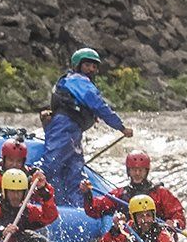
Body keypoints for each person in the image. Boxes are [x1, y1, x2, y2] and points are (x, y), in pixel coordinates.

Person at [42, 47, 133, 208]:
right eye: (87, 65)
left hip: (73, 131)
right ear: (78, 66)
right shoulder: (77, 80)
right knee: (51, 165)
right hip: (64, 128)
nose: (91, 69)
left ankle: (76, 208)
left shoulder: (76, 83)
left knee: (75, 171)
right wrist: (121, 127)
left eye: (94, 66)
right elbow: (100, 106)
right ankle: (36, 199)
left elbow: (85, 106)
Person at [82, 148, 186, 232]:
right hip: (131, 237)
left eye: (140, 170)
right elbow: (94, 210)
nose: (137, 173)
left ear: (146, 171)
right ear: (128, 171)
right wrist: (87, 194)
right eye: (134, 170)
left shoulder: (161, 193)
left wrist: (174, 223)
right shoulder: (120, 194)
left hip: (156, 236)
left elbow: (178, 215)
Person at [86, 195, 183, 242]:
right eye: (141, 216)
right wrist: (115, 229)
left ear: (154, 216)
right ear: (133, 217)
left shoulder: (162, 235)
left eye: (148, 215)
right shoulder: (127, 229)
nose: (145, 220)